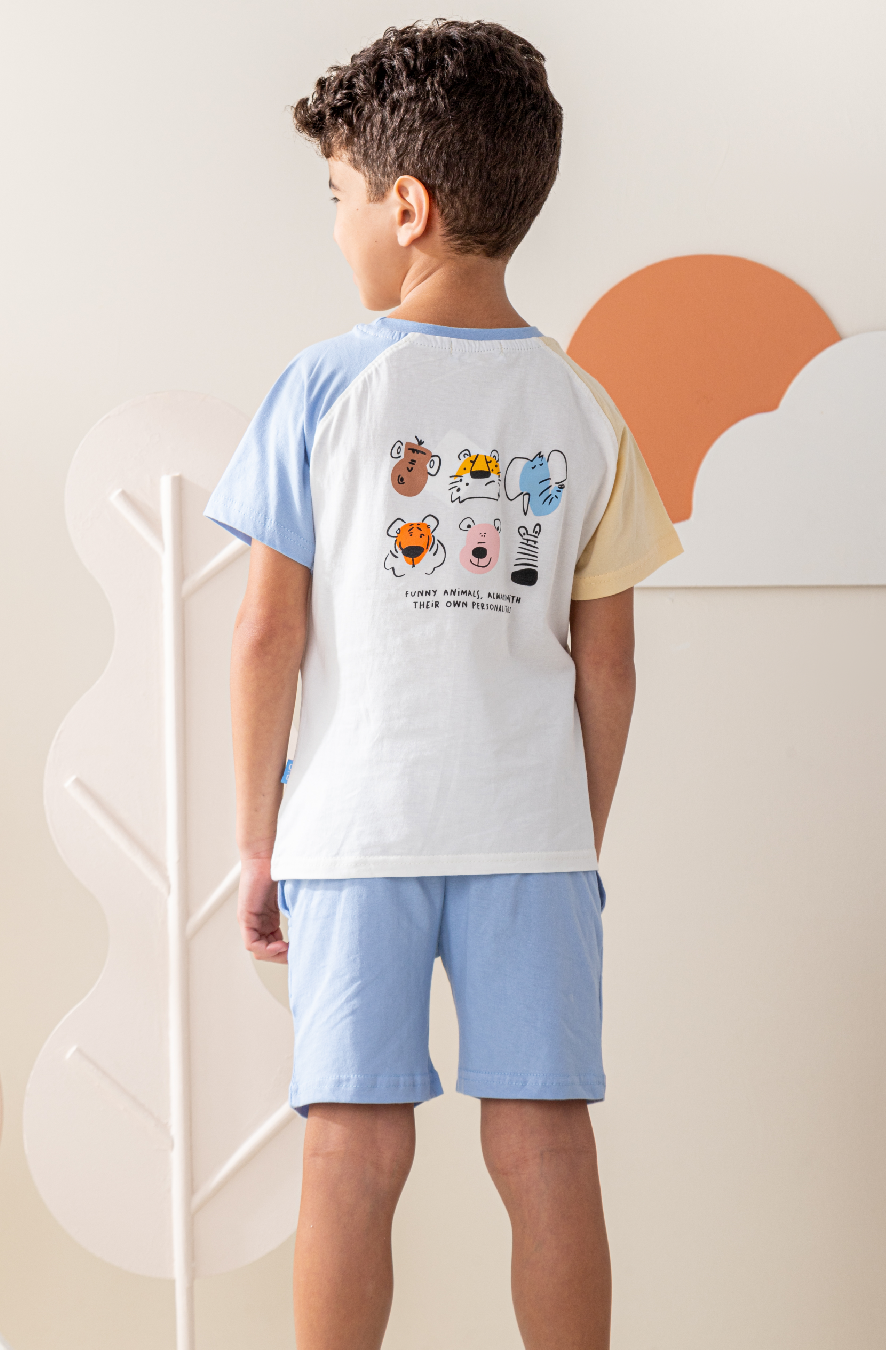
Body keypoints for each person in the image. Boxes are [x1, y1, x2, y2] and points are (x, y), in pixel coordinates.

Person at [205, 20, 681, 1349]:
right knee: (546, 1145)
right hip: (531, 833)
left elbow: (264, 634)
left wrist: (256, 840)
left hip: (354, 830)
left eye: (339, 196)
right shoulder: (586, 409)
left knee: (350, 1152)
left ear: (404, 207)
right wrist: (572, 832)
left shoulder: (320, 388)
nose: (338, 227)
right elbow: (610, 661)